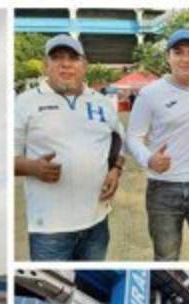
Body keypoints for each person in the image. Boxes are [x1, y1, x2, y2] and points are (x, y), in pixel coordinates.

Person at [15, 34, 125, 260]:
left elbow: (118, 139)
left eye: (73, 58)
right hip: (50, 230)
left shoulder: (101, 102)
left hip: (97, 223)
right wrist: (32, 167)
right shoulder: (24, 102)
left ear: (84, 65)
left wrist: (115, 170)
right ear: (46, 65)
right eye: (57, 58)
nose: (65, 64)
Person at [126, 30, 189, 261]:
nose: (185, 58)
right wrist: (149, 158)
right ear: (168, 57)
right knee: (165, 259)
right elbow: (133, 136)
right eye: (178, 52)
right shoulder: (150, 94)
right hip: (163, 188)